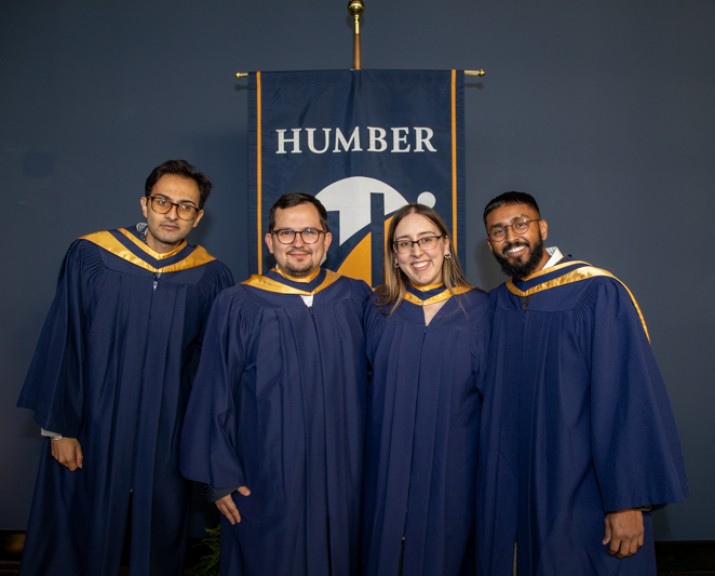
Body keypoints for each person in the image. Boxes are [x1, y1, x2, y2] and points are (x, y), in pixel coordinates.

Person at [16, 159, 234, 576]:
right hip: (91, 426)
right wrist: (62, 429)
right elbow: (65, 338)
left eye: (185, 206)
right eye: (162, 201)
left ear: (198, 217)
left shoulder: (210, 276)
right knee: (80, 531)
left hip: (165, 433)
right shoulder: (92, 256)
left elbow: (214, 371)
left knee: (158, 534)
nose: (172, 213)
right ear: (144, 203)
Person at [476, 191, 689, 575]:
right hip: (513, 491)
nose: (511, 237)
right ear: (490, 242)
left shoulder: (597, 293)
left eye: (521, 223)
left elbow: (628, 398)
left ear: (542, 227)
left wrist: (628, 502)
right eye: (498, 231)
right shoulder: (495, 306)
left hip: (583, 489)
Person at [180, 193, 370, 576]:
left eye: (309, 232)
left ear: (327, 239)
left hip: (345, 476)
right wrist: (220, 478)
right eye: (286, 233)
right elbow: (214, 391)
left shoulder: (355, 297)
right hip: (266, 476)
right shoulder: (238, 303)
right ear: (269, 242)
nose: (298, 242)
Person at [362, 204, 489, 576]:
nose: (417, 252)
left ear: (446, 243)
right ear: (394, 256)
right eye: (404, 243)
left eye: (427, 239)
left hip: (455, 467)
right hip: (387, 467)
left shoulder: (482, 309)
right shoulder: (376, 308)